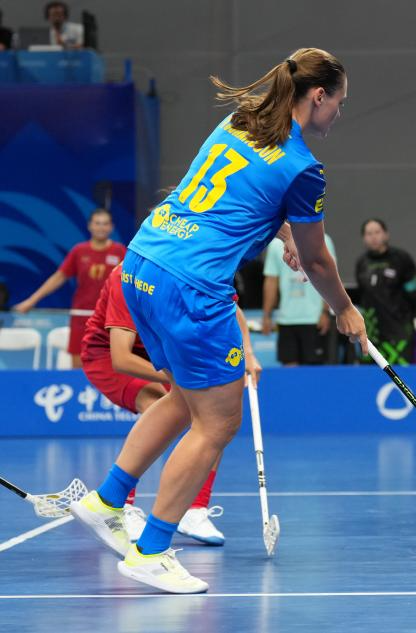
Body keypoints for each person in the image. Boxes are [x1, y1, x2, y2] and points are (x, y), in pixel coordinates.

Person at [69, 48, 367, 594]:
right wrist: (344, 308)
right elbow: (319, 261)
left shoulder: (239, 120)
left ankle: (106, 500)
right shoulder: (303, 167)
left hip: (142, 263)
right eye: (339, 103)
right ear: (318, 95)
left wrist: (282, 232)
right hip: (193, 288)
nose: (339, 114)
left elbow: (234, 198)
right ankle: (150, 551)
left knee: (184, 399)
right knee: (217, 423)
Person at [81, 264, 259, 545]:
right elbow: (121, 358)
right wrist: (181, 378)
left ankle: (194, 509)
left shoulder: (195, 265)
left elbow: (231, 309)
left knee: (212, 412)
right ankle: (120, 506)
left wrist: (247, 351)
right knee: (156, 401)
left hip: (161, 351)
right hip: (108, 357)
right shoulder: (127, 275)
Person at [13, 208, 126, 368]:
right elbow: (58, 277)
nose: (101, 227)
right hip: (81, 318)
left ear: (111, 227)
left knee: (111, 366)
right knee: (79, 366)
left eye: (105, 224)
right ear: (90, 226)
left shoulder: (120, 251)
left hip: (110, 318)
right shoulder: (79, 251)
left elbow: (130, 282)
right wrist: (31, 301)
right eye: (97, 223)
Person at [263, 233, 337, 365]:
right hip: (286, 319)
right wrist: (266, 316)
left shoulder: (323, 240)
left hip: (314, 319)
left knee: (313, 371)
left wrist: (325, 312)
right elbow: (271, 281)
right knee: (289, 370)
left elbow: (330, 277)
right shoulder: (275, 245)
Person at [354, 218, 416, 365]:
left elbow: (414, 295)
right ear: (364, 238)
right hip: (372, 334)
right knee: (370, 375)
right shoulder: (361, 263)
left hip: (399, 332)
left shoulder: (401, 259)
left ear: (386, 234)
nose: (373, 237)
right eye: (369, 233)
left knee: (401, 374)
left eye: (377, 232)